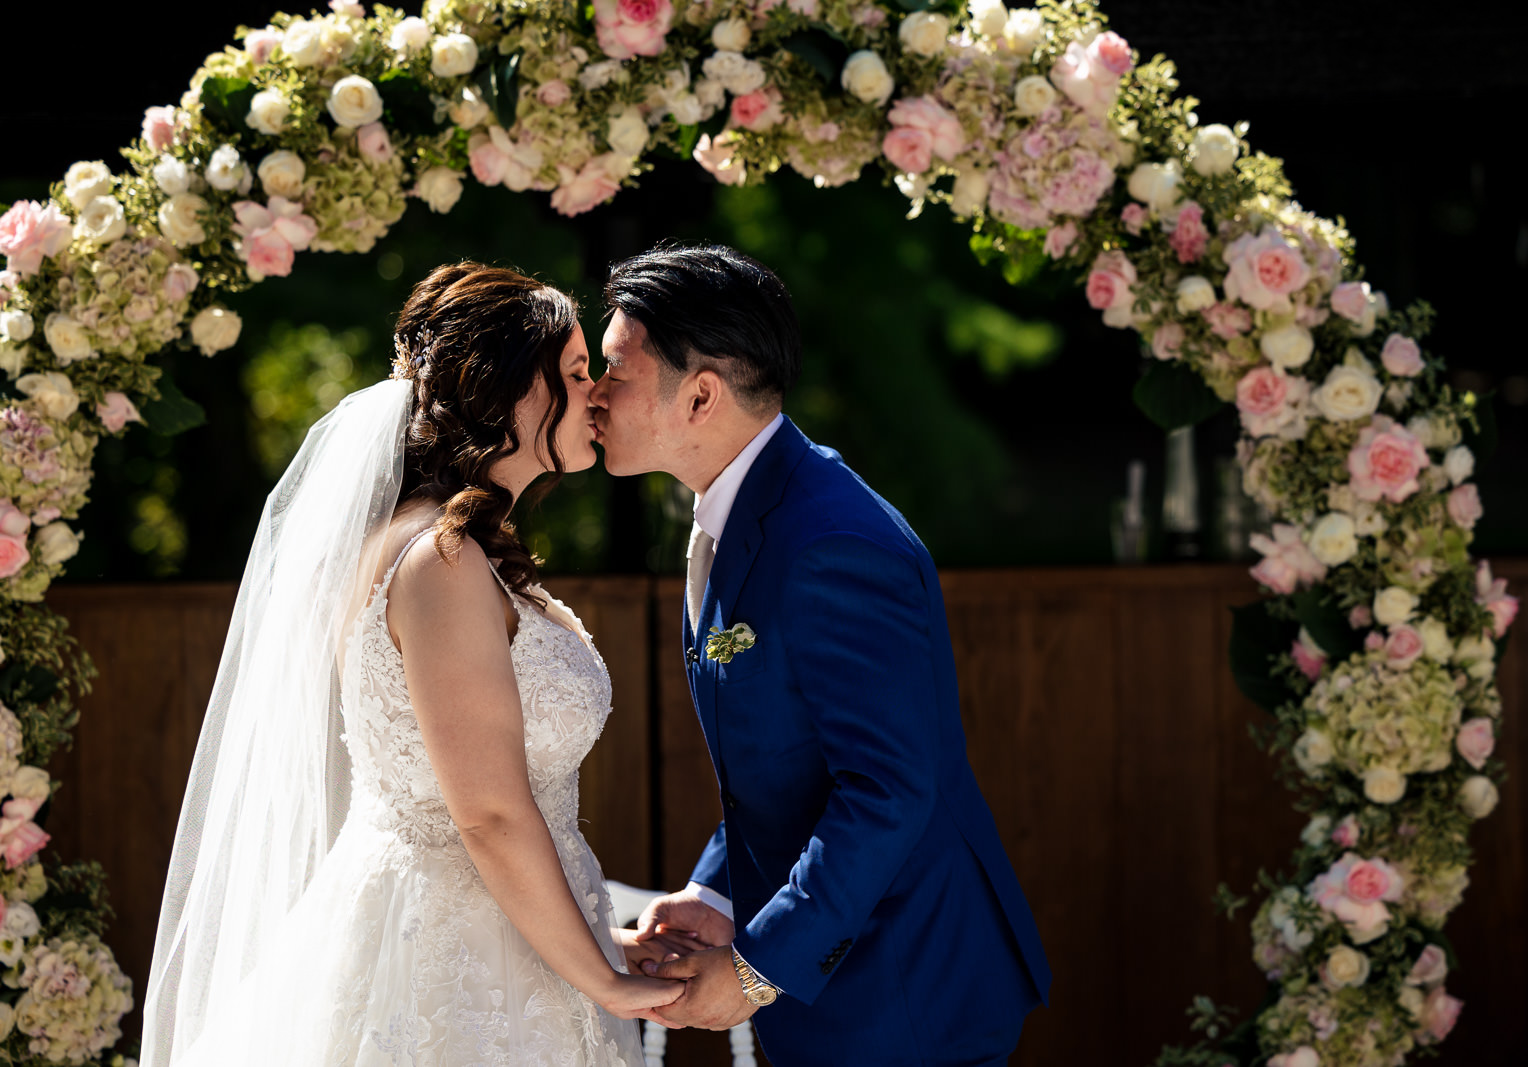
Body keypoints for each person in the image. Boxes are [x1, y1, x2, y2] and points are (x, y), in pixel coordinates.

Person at [142, 263, 683, 1066]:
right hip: (447, 972)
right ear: (506, 391)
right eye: (574, 373)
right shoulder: (441, 561)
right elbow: (487, 813)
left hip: (519, 941)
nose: (597, 393)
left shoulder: (460, 553)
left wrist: (594, 938)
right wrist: (604, 981)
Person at [588, 243, 1052, 1065]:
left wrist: (759, 968)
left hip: (905, 991)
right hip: (842, 990)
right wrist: (717, 888)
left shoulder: (833, 541)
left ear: (700, 395)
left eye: (614, 372)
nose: (593, 393)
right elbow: (788, 762)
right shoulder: (745, 507)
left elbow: (887, 788)